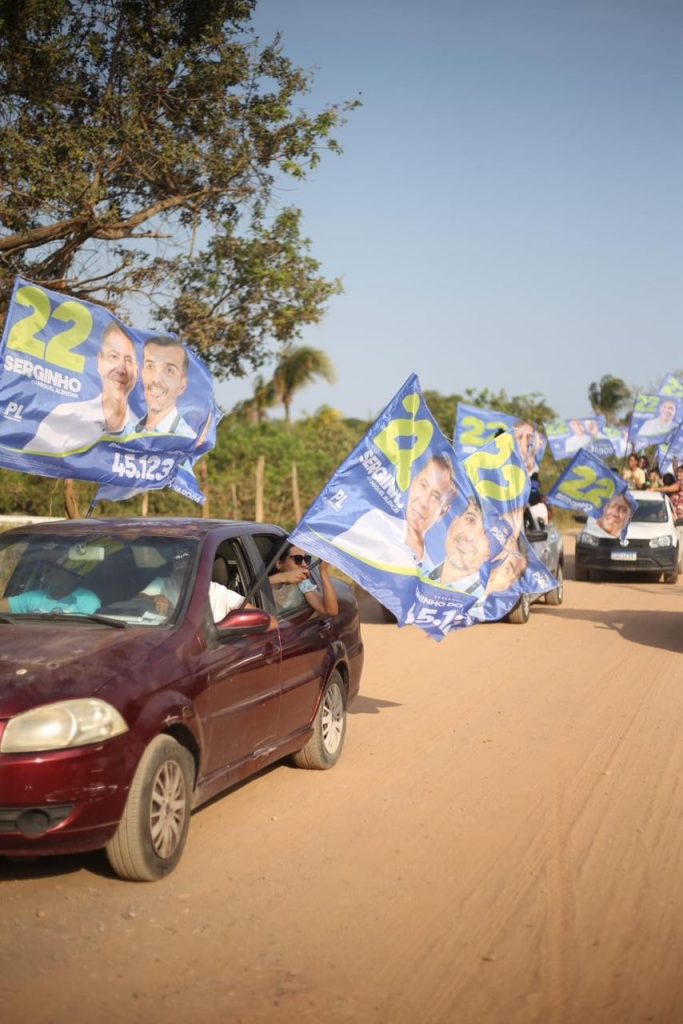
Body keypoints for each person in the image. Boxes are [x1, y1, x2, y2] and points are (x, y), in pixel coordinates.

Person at [24, 322, 138, 454]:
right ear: (100, 361)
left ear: (136, 369)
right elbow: (29, 467)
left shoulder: (147, 436)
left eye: (129, 360)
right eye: (114, 356)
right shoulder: (65, 416)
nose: (121, 369)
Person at [332, 454, 457, 572]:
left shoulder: (428, 575)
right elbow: (334, 552)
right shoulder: (374, 522)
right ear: (413, 484)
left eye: (435, 496)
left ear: (442, 512)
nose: (424, 501)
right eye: (423, 485)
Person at [141, 555, 247, 621]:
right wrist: (154, 598)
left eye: (189, 562)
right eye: (180, 561)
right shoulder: (163, 583)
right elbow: (131, 599)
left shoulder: (217, 592)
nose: (184, 567)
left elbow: (254, 614)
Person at [135, 336, 196, 438]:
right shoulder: (125, 435)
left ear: (182, 385)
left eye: (168, 370)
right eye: (150, 367)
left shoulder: (186, 442)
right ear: (142, 373)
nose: (156, 380)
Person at [427, 498, 490, 596]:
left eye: (485, 533)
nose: (470, 537)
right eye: (470, 520)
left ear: (489, 552)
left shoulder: (484, 605)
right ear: (453, 524)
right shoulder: (417, 572)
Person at [0, 557, 101, 615]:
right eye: (48, 570)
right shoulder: (34, 597)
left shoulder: (87, 599)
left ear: (72, 574)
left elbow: (85, 629)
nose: (50, 573)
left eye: (57, 570)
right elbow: (4, 606)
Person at [268, 542, 339, 616]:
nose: (304, 564)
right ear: (279, 564)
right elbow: (255, 586)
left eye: (306, 559)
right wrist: (282, 577)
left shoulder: (302, 583)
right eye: (298, 559)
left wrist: (323, 571)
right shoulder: (262, 582)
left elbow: (331, 611)